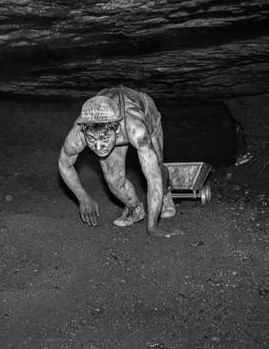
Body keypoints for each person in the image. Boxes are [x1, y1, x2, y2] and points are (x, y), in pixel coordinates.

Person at [58, 86, 182, 238]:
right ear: (84, 131)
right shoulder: (79, 134)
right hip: (116, 126)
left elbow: (153, 178)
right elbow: (65, 164)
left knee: (157, 165)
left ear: (116, 131)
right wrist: (83, 197)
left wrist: (153, 227)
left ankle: (166, 193)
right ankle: (135, 209)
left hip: (146, 112)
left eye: (103, 140)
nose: (97, 148)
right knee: (114, 180)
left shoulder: (136, 129)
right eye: (91, 140)